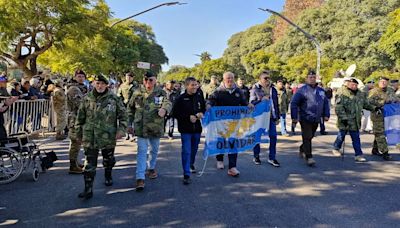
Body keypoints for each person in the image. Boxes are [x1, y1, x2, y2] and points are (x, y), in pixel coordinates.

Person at [74, 74, 127, 199]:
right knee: (89, 164)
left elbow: (123, 116)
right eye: (97, 83)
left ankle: (108, 175)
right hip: (90, 136)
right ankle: (88, 189)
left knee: (108, 160)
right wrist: (78, 134)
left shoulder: (114, 99)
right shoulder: (86, 99)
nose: (100, 86)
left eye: (102, 83)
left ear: (106, 85)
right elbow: (80, 118)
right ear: (93, 84)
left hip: (108, 136)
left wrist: (121, 130)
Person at [127, 71, 172, 191]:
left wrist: (164, 109)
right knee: (142, 151)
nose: (148, 82)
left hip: (155, 126)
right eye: (146, 80)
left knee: (155, 149)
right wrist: (128, 123)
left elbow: (168, 103)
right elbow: (130, 109)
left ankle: (151, 167)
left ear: (155, 80)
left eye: (150, 80)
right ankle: (140, 177)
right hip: (141, 127)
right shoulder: (137, 92)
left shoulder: (161, 92)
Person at [207, 72, 253, 177]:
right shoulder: (218, 92)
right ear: (223, 79)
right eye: (228, 78)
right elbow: (210, 100)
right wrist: (209, 105)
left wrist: (248, 105)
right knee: (221, 141)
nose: (230, 80)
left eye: (232, 78)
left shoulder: (238, 91)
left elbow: (244, 102)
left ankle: (232, 167)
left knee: (233, 143)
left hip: (234, 123)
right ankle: (220, 159)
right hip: (220, 123)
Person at [291, 70, 330, 166]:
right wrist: (294, 117)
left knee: (310, 136)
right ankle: (309, 157)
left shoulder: (321, 90)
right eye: (310, 77)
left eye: (314, 77)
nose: (312, 79)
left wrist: (326, 114)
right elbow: (294, 104)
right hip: (305, 117)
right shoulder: (302, 90)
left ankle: (302, 148)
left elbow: (325, 103)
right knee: (307, 136)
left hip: (316, 118)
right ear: (306, 79)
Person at [172, 77, 206, 184]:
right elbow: (175, 113)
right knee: (186, 150)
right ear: (187, 86)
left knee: (194, 149)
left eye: (196, 85)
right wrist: (188, 117)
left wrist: (201, 113)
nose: (195, 87)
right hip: (185, 129)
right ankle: (186, 173)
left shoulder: (200, 97)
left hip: (197, 129)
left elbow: (203, 109)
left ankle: (191, 163)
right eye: (192, 85)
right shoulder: (181, 98)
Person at [332, 78, 375, 162]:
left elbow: (365, 104)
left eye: (355, 85)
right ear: (348, 85)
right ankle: (336, 148)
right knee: (341, 136)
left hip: (355, 121)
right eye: (352, 84)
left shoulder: (360, 94)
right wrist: (343, 118)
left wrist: (374, 108)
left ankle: (358, 155)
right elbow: (339, 107)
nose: (354, 86)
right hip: (345, 120)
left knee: (356, 138)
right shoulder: (342, 93)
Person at [250, 71, 280, 167]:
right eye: (265, 78)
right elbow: (251, 103)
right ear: (260, 79)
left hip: (271, 117)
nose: (267, 80)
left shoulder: (273, 89)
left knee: (273, 137)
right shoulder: (255, 89)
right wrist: (260, 100)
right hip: (259, 118)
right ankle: (256, 156)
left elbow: (276, 104)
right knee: (257, 137)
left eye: (268, 78)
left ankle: (272, 157)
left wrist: (277, 117)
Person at [368, 76, 400, 160]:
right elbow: (368, 102)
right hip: (377, 115)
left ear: (387, 83)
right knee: (380, 133)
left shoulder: (390, 90)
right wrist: (382, 102)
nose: (383, 83)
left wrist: (396, 101)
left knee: (379, 133)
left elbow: (395, 98)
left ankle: (375, 149)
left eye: (385, 82)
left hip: (388, 115)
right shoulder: (373, 91)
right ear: (379, 82)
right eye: (382, 81)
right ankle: (385, 152)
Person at [66, 70, 88, 174]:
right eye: (78, 76)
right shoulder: (73, 89)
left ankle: (75, 162)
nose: (81, 78)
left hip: (80, 118)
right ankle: (72, 165)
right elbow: (80, 104)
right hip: (75, 118)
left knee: (77, 142)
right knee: (75, 142)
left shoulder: (81, 88)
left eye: (82, 76)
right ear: (75, 77)